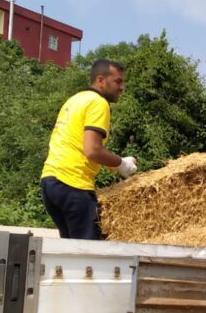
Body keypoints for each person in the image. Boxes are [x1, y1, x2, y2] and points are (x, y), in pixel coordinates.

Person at [40, 59, 137, 239]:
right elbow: (92, 150)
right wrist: (121, 163)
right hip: (73, 184)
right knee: (88, 257)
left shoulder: (75, 100)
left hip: (50, 182)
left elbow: (76, 144)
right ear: (101, 81)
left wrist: (113, 164)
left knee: (72, 254)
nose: (122, 87)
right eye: (118, 81)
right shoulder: (98, 103)